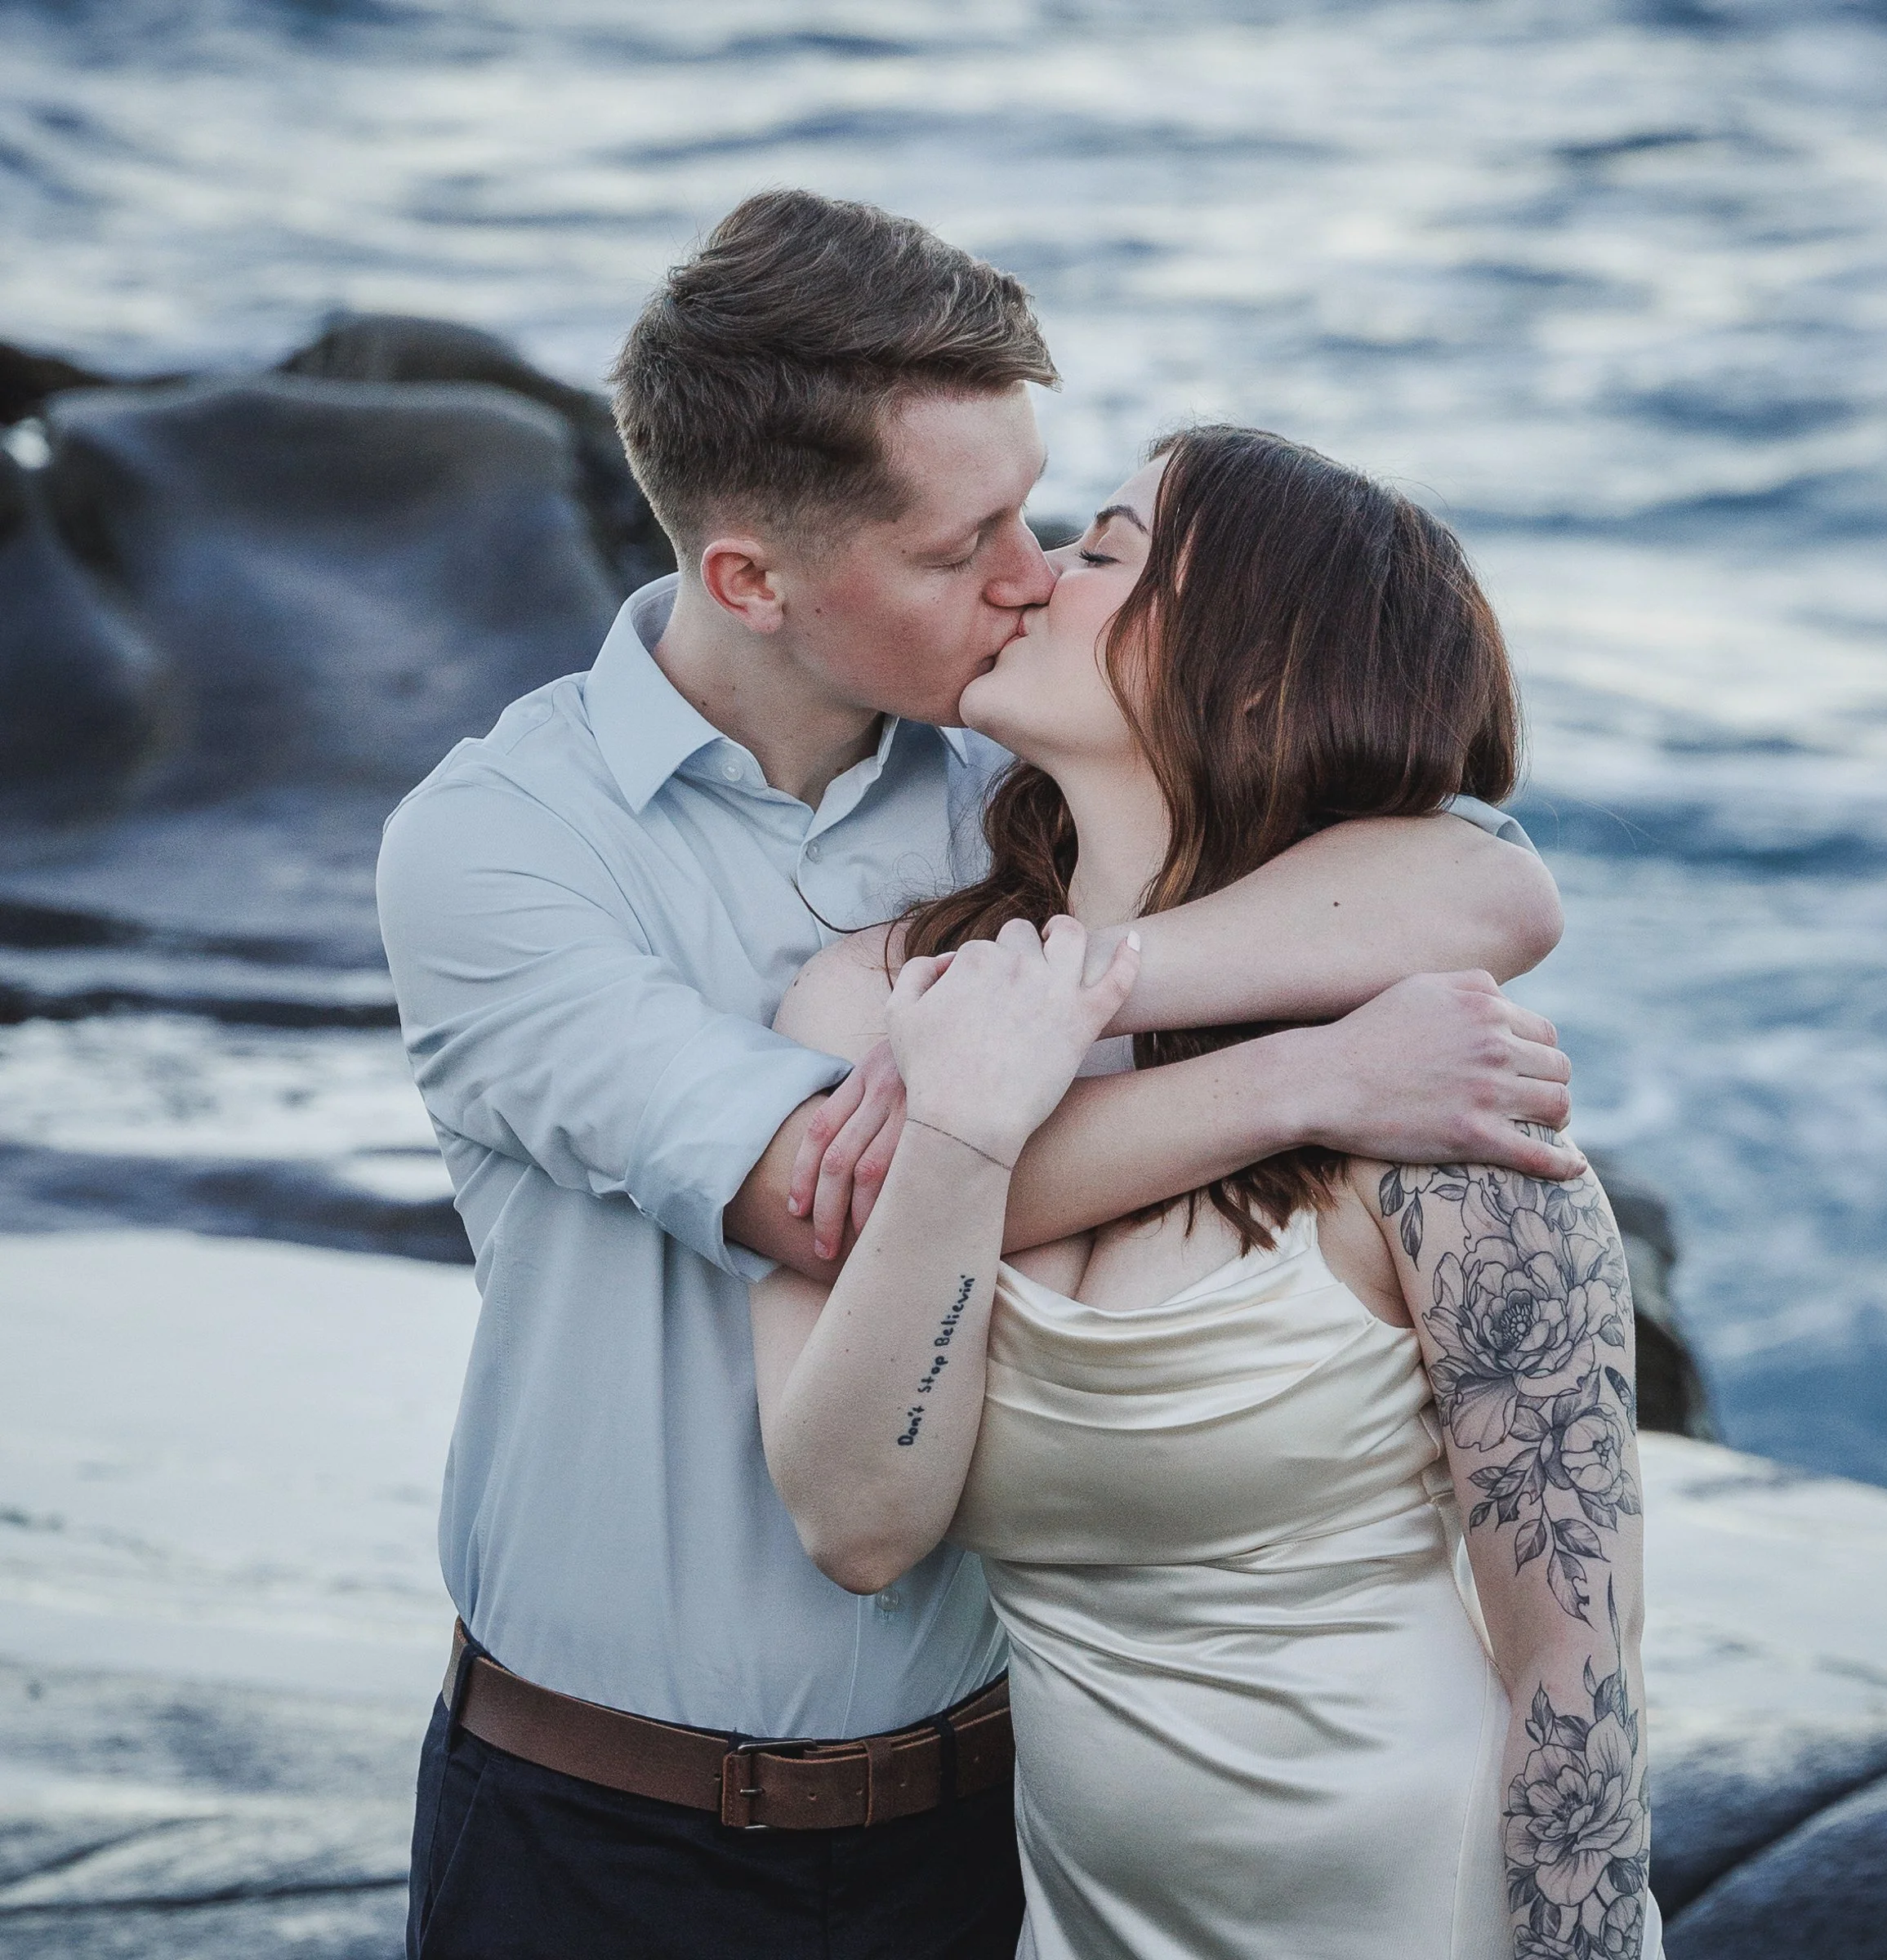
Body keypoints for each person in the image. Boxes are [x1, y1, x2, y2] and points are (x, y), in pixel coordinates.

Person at [377, 192, 1579, 1960]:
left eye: (1038, 510)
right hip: (600, 1830)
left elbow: (1485, 879)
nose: (1027, 576)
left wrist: (1085, 982)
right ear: (748, 582)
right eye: (964, 547)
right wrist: (1300, 1079)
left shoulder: (1006, 790)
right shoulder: (497, 850)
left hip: (996, 1821)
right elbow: (830, 1203)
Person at [752, 425, 1662, 1958]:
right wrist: (970, 1116)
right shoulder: (883, 1004)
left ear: (1251, 674)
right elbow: (855, 1521)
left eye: (1104, 551)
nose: (1033, 577)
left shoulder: (1435, 1097)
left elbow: (1576, 1670)